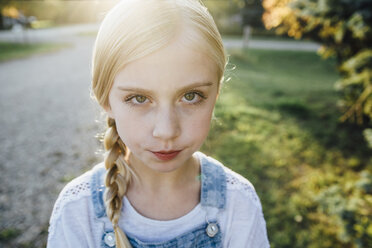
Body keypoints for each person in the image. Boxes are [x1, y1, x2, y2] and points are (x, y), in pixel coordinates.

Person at [47, 0, 270, 247]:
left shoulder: (238, 203)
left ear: (215, 94)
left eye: (191, 96)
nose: (166, 131)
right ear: (105, 98)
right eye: (139, 98)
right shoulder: (77, 211)